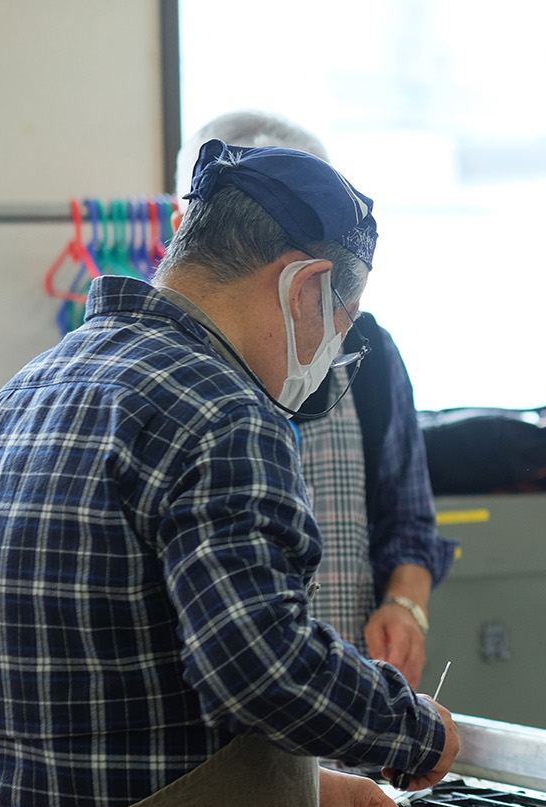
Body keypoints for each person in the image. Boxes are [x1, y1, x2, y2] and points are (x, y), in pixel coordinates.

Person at [0, 140, 458, 807]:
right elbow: (261, 663)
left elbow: (111, 674)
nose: (333, 355)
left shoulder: (33, 389)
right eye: (343, 321)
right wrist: (415, 731)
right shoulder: (223, 408)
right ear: (304, 286)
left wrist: (305, 794)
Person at [174, 110, 455, 690]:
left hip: (341, 701)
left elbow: (409, 521)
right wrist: (407, 731)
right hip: (243, 739)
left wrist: (406, 607)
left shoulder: (368, 356)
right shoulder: (193, 394)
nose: (325, 331)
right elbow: (250, 656)